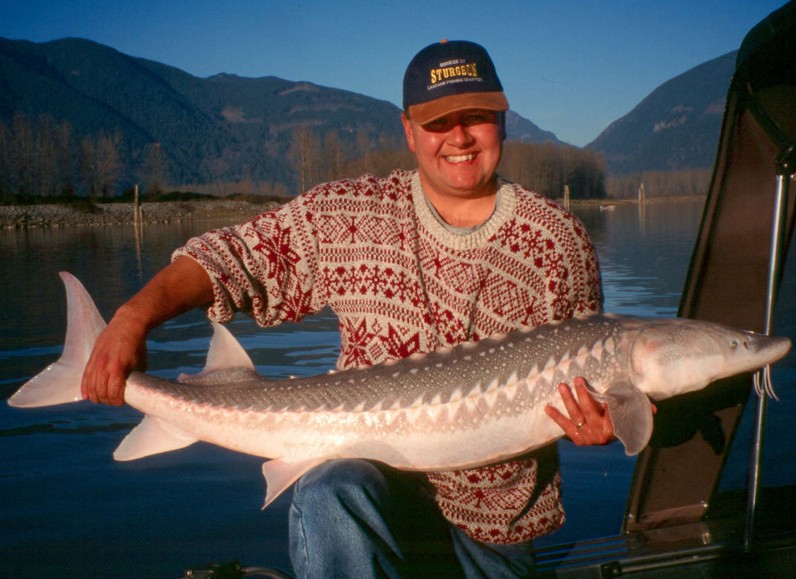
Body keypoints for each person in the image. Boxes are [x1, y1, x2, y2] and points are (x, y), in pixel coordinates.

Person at [82, 40, 615, 577]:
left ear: (503, 120)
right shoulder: (348, 212)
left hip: (496, 527)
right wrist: (130, 318)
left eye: (475, 116)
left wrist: (604, 422)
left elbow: (590, 389)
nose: (458, 136)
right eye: (437, 121)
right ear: (409, 131)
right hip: (370, 496)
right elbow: (231, 259)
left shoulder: (558, 240)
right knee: (329, 490)